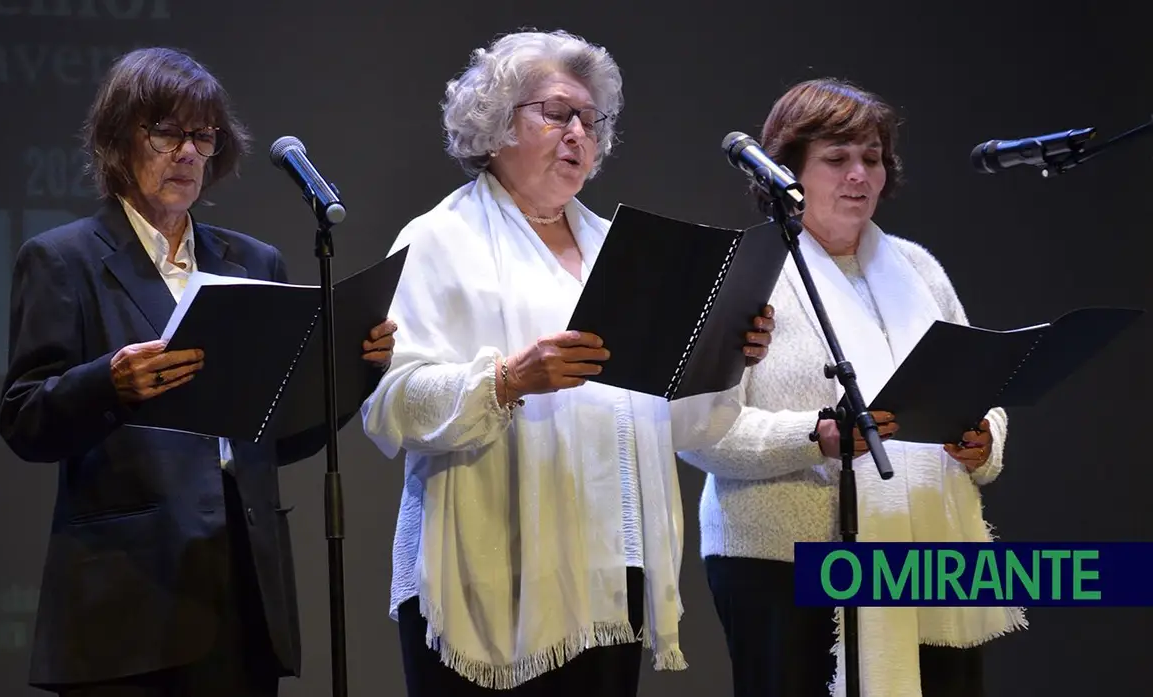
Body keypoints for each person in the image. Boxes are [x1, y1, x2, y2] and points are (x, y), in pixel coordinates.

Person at [359, 29, 775, 697]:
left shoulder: (620, 249)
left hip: (607, 572)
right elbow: (391, 404)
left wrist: (726, 356)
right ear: (496, 123)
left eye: (591, 118)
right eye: (558, 113)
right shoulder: (439, 239)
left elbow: (677, 422)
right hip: (488, 573)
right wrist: (506, 381)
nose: (580, 132)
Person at [0, 47, 397, 697]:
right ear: (119, 138)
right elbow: (23, 419)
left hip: (245, 593)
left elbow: (282, 434)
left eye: (202, 135)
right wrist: (108, 382)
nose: (187, 151)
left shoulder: (253, 261)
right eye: (166, 131)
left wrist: (356, 371)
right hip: (127, 605)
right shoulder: (62, 259)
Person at [679, 77, 1027, 697]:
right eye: (836, 159)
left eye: (872, 158)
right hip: (783, 566)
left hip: (930, 566)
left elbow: (981, 385)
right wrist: (817, 437)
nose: (859, 175)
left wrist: (984, 442)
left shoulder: (918, 269)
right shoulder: (747, 274)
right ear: (785, 172)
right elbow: (697, 433)